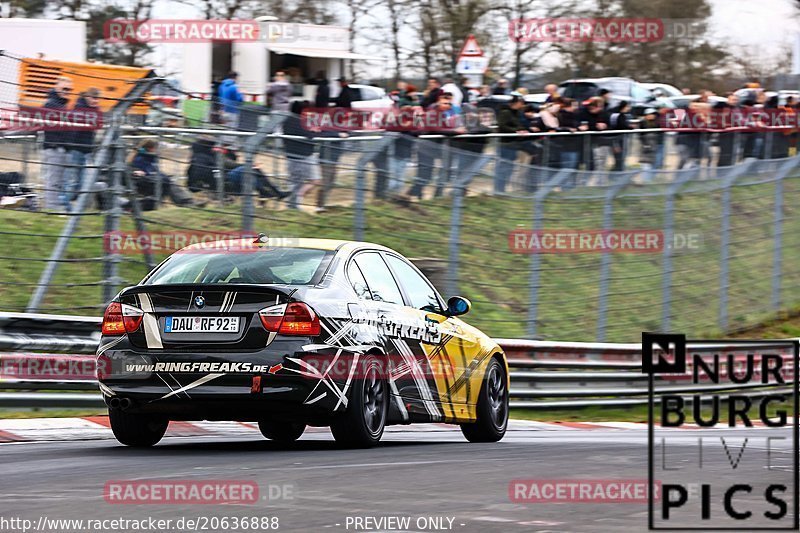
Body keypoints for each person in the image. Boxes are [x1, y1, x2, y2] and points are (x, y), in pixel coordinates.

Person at [130, 140, 203, 210]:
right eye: (157, 148)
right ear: (151, 148)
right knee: (167, 183)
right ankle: (186, 202)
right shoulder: (140, 158)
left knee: (168, 182)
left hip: (152, 180)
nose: (158, 150)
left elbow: (153, 171)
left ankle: (187, 202)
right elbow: (145, 172)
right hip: (143, 182)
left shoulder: (150, 157)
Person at [64, 87, 101, 210]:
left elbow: (97, 126)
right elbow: (74, 129)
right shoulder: (79, 108)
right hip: (76, 149)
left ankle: (76, 208)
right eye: (93, 98)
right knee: (73, 181)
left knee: (82, 182)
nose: (95, 101)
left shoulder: (95, 110)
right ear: (87, 97)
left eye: (97, 99)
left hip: (87, 150)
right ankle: (65, 206)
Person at [42, 76, 72, 210]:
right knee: (53, 180)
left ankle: (56, 206)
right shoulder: (51, 104)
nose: (67, 91)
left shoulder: (62, 104)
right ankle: (52, 208)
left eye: (69, 89)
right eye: (64, 88)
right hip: (54, 147)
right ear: (57, 87)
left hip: (62, 147)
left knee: (60, 181)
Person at [283, 101, 320, 210]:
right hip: (304, 156)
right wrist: (315, 131)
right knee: (314, 180)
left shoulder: (288, 120)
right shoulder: (300, 122)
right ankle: (295, 202)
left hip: (291, 156)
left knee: (295, 183)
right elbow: (310, 135)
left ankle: (293, 204)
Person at [493, 94, 527, 193]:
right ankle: (499, 189)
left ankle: (503, 188)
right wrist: (515, 131)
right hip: (505, 143)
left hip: (513, 143)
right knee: (504, 166)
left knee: (509, 166)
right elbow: (502, 125)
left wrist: (522, 130)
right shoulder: (505, 112)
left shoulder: (517, 113)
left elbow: (518, 125)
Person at [609, 100, 633, 171]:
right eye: (628, 106)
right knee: (618, 159)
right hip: (617, 140)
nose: (629, 108)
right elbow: (618, 127)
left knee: (622, 159)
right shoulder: (616, 115)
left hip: (622, 139)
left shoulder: (624, 115)